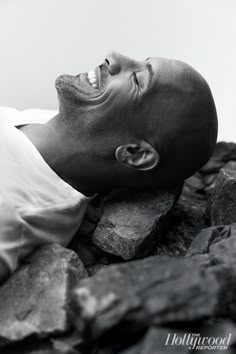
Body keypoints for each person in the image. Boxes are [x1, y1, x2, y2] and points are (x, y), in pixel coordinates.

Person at [0, 51, 218, 284]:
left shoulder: (11, 213)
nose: (112, 56)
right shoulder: (54, 126)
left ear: (136, 154)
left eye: (137, 80)